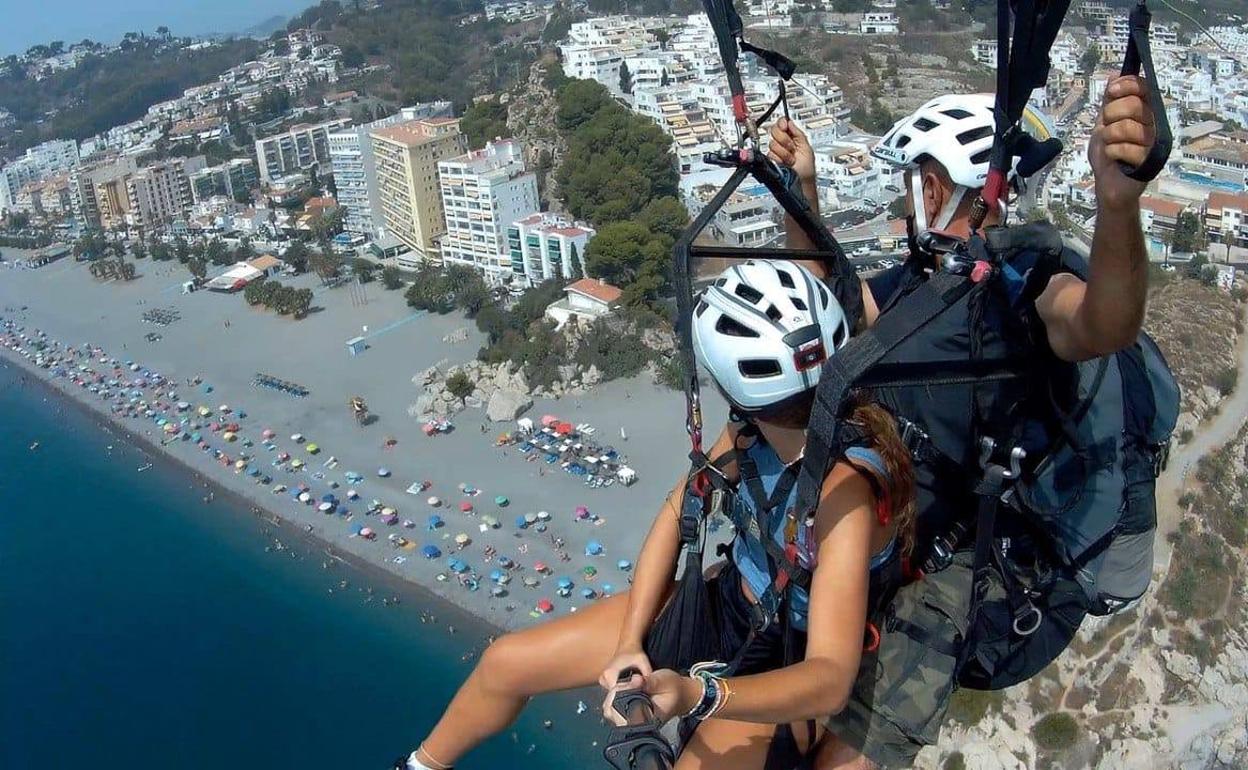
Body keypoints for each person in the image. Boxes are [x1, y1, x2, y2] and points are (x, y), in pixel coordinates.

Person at [761, 82, 1157, 768]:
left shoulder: (1027, 280)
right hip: (907, 512)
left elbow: (1102, 322)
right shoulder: (927, 276)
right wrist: (803, 192)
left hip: (970, 556)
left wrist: (1119, 206)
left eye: (918, 180)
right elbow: (838, 307)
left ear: (940, 185)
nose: (911, 195)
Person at [396, 260, 917, 770]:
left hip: (790, 656)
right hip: (726, 604)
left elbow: (828, 678)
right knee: (506, 663)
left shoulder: (847, 495)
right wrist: (629, 643)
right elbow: (678, 513)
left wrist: (697, 693)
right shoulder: (748, 434)